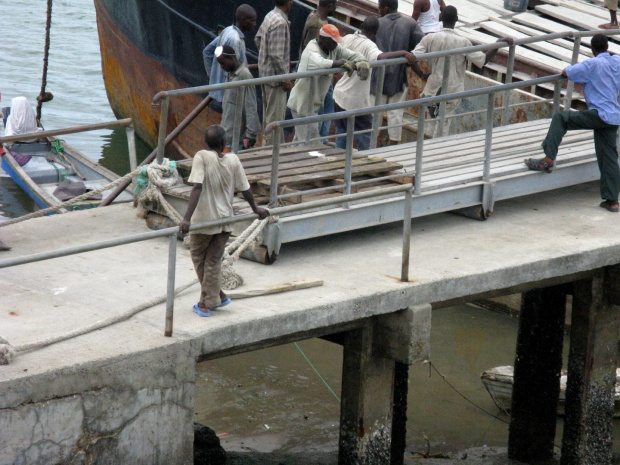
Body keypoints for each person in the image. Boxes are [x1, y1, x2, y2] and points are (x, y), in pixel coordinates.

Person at [524, 34, 620, 213]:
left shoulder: (592, 64)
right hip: (614, 115)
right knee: (609, 158)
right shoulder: (617, 61)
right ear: (607, 46)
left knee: (561, 118)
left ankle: (548, 159)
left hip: (599, 114)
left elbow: (567, 73)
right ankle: (612, 201)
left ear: (592, 49)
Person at [180, 125, 268, 316]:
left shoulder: (201, 157)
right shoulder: (234, 159)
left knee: (199, 258)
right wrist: (255, 209)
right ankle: (219, 294)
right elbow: (245, 189)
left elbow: (196, 188)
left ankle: (206, 303)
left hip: (205, 220)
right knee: (213, 261)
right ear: (224, 143)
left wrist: (186, 219)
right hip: (225, 219)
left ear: (205, 143)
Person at [412, 6, 512, 137]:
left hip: (433, 87)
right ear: (457, 20)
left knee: (432, 121)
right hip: (453, 89)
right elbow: (482, 61)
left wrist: (421, 74)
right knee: (444, 122)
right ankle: (436, 151)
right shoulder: (463, 42)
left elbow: (412, 57)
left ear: (441, 18)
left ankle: (427, 150)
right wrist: (497, 45)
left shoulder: (430, 38)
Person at [333, 17, 416, 151]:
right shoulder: (369, 45)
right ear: (375, 33)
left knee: (342, 134)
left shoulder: (348, 38)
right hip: (357, 100)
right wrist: (403, 52)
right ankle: (364, 165)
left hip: (339, 95)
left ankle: (338, 163)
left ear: (361, 26)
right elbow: (381, 57)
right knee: (366, 136)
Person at [287, 24, 369, 145]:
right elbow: (322, 63)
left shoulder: (334, 49)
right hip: (302, 105)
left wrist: (362, 62)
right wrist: (342, 63)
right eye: (333, 41)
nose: (336, 44)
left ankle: (289, 161)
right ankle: (306, 162)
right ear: (323, 39)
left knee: (301, 140)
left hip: (314, 103)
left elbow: (352, 55)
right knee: (310, 141)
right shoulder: (311, 50)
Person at [371, 0, 424, 145]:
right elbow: (422, 44)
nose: (379, 10)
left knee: (374, 115)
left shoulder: (377, 23)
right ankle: (393, 150)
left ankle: (370, 149)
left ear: (385, 8)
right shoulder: (410, 23)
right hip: (399, 77)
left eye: (380, 7)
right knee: (396, 115)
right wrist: (410, 56)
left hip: (377, 77)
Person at [203, 4, 257, 113]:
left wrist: (213, 77)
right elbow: (233, 72)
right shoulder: (235, 41)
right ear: (242, 20)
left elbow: (208, 51)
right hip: (230, 97)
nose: (255, 24)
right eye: (252, 21)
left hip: (222, 92)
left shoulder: (227, 30)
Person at [255, 0, 295, 146]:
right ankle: (270, 154)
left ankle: (267, 149)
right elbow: (277, 55)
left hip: (265, 76)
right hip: (276, 81)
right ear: (288, 3)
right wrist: (285, 79)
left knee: (268, 117)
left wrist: (264, 57)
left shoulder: (269, 16)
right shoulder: (280, 23)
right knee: (275, 121)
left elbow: (258, 39)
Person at [299, 0, 339, 140]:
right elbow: (311, 53)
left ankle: (320, 140)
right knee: (321, 110)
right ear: (330, 6)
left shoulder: (315, 16)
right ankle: (319, 141)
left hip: (323, 73)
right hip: (318, 74)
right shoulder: (316, 24)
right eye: (335, 5)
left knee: (327, 109)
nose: (336, 8)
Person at [215, 45, 261, 152]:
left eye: (222, 63)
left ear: (231, 58)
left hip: (237, 138)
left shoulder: (244, 76)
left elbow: (250, 105)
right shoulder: (230, 75)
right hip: (227, 134)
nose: (221, 66)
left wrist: (251, 134)